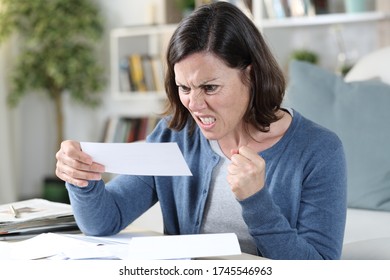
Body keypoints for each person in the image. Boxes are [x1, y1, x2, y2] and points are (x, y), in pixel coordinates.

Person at [55, 2, 347, 260]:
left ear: (252, 75)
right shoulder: (175, 135)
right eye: (184, 87)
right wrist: (82, 178)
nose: (194, 104)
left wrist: (257, 201)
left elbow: (318, 267)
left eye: (210, 87)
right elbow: (103, 222)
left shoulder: (318, 150)